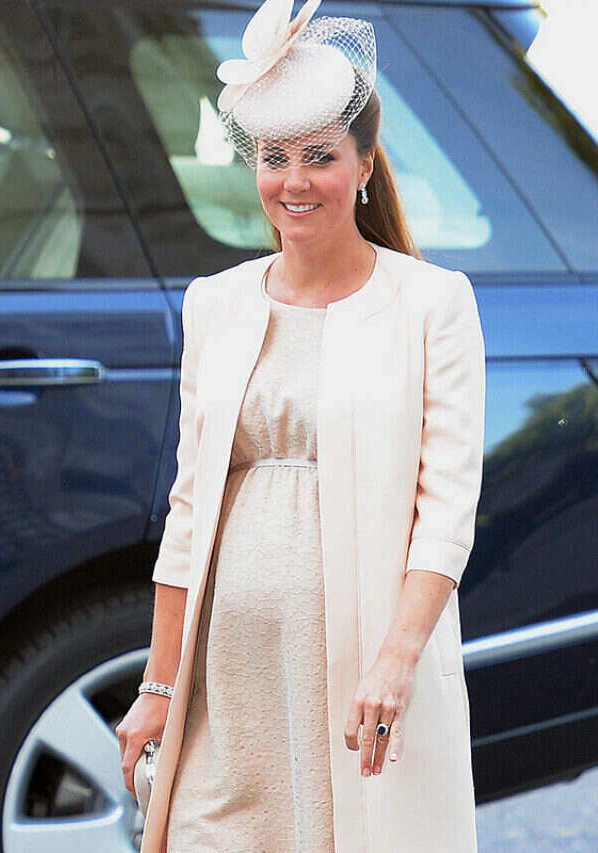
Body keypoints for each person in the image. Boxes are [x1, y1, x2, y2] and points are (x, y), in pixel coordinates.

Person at [114, 0, 484, 850]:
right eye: (275, 157)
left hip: (362, 678)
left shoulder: (433, 304)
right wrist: (159, 687)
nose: (294, 181)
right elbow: (187, 512)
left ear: (364, 164)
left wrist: (396, 661)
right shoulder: (215, 304)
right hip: (229, 677)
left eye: (320, 156)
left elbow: (446, 509)